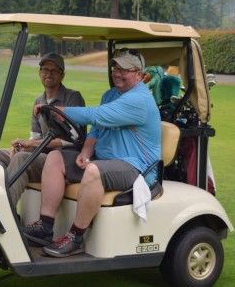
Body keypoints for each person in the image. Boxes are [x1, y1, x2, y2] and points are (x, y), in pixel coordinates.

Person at [23, 48, 161, 258]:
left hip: (135, 166)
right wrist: (86, 152)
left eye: (124, 69)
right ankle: (45, 226)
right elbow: (98, 128)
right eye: (115, 66)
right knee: (56, 157)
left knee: (94, 171)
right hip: (105, 159)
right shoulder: (111, 94)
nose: (117, 72)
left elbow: (96, 115)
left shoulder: (139, 100)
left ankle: (75, 237)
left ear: (139, 74)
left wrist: (59, 111)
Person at [3, 52, 85, 206]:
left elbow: (73, 140)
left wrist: (31, 145)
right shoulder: (38, 101)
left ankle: (5, 211)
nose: (49, 74)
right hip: (43, 157)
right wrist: (22, 146)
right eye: (45, 70)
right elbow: (35, 138)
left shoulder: (73, 98)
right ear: (39, 73)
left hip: (64, 160)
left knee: (21, 159)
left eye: (54, 71)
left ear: (62, 75)